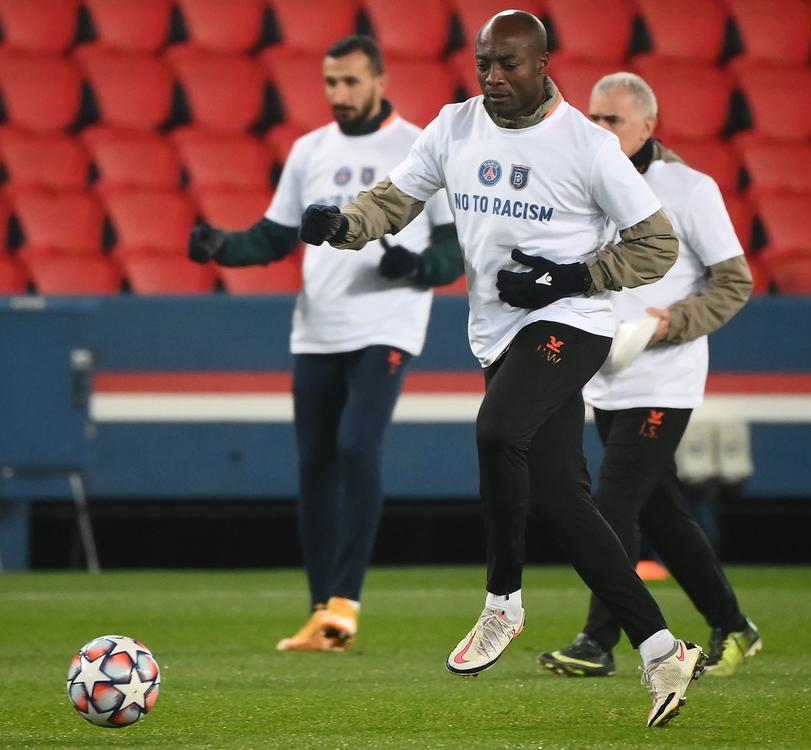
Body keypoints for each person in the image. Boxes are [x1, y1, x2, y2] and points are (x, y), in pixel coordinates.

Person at [297, 11, 707, 729]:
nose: (493, 76)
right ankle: (663, 649)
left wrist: (567, 279)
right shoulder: (455, 126)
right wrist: (343, 226)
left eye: (509, 64)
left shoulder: (587, 144)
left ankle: (502, 603)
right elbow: (397, 197)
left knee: (495, 433)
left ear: (544, 64)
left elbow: (656, 246)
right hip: (497, 336)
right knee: (564, 502)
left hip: (571, 322)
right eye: (484, 62)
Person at [187, 35, 463, 653]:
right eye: (330, 83)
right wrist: (221, 248)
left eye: (351, 82)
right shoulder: (310, 149)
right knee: (315, 465)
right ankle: (322, 613)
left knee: (356, 448)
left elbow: (453, 251)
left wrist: (412, 270)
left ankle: (345, 603)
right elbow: (274, 237)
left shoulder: (419, 148)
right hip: (317, 326)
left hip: (386, 323)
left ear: (381, 80)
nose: (339, 94)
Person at [537, 72, 760, 679]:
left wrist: (676, 323)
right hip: (608, 376)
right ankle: (734, 625)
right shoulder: (585, 184)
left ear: (648, 127)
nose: (601, 130)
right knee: (662, 513)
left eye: (613, 120)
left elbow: (735, 280)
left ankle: (598, 641)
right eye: (595, 118)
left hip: (665, 378)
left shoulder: (689, 189)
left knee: (611, 503)